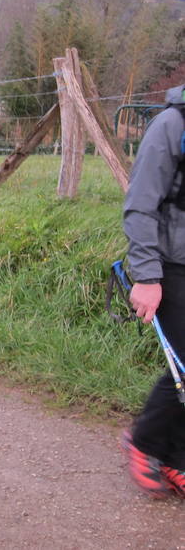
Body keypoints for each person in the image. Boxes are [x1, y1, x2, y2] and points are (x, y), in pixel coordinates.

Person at [121, 83, 185, 498]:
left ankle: (177, 459)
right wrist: (146, 276)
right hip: (172, 266)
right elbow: (140, 203)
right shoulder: (171, 125)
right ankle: (144, 442)